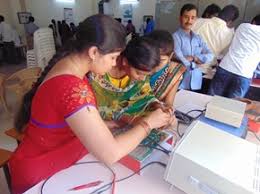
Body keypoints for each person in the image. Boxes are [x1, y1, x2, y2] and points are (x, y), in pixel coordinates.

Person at [9, 14, 172, 194]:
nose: (113, 65)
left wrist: (109, 124)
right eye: (113, 57)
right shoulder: (72, 87)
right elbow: (111, 154)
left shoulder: (70, 67)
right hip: (43, 176)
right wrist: (148, 124)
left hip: (55, 160)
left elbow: (69, 120)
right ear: (94, 52)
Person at [89, 36, 174, 127]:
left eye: (146, 75)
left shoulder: (141, 70)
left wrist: (157, 106)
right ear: (125, 61)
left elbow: (145, 96)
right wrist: (130, 119)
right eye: (139, 73)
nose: (142, 78)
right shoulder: (99, 71)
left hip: (133, 118)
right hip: (104, 125)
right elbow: (94, 110)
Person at [208, 14, 260, 98]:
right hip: (244, 74)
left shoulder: (243, 26)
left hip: (226, 67)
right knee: (232, 107)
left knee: (212, 100)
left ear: (253, 22)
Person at [173, 4, 214, 91]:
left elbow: (211, 55)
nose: (189, 21)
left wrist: (195, 57)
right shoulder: (175, 37)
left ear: (196, 19)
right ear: (180, 18)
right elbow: (181, 59)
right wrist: (196, 64)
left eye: (192, 18)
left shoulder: (198, 38)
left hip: (196, 82)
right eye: (186, 17)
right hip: (180, 83)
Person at [147, 30, 186, 106]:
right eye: (152, 58)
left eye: (161, 60)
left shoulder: (174, 72)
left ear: (171, 56)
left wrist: (167, 111)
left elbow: (168, 103)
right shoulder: (140, 67)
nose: (155, 64)